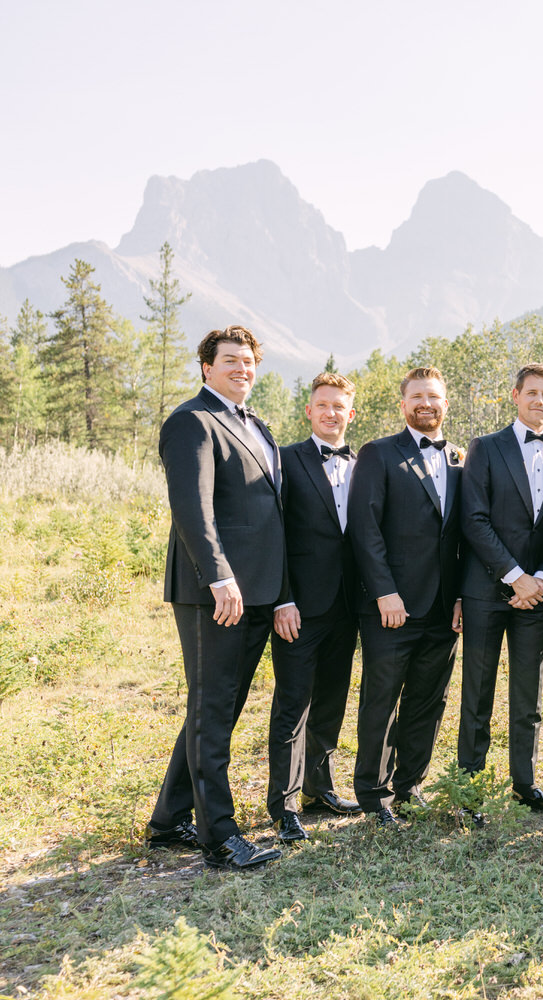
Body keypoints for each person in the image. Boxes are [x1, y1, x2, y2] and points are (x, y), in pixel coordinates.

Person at [147, 325, 285, 871]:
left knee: (217, 708)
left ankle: (168, 821)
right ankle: (219, 837)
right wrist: (219, 577)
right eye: (230, 360)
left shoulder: (258, 426)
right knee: (211, 708)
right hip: (215, 594)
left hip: (256, 593)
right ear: (206, 367)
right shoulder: (191, 422)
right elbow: (192, 508)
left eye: (249, 361)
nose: (242, 369)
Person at [347, 366, 464, 827]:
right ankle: (372, 795)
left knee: (427, 701)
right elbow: (364, 531)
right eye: (417, 397)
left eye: (433, 397)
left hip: (442, 608)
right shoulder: (378, 454)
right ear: (403, 404)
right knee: (381, 699)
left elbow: (461, 537)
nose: (426, 404)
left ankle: (410, 785)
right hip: (391, 608)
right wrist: (384, 594)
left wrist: (459, 598)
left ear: (445, 404)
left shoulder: (458, 457)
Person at [460, 363, 543, 815]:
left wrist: (540, 579)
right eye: (532, 393)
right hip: (487, 591)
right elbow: (474, 519)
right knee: (477, 694)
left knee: (529, 696)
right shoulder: (485, 448)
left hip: (537, 596)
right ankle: (469, 791)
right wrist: (515, 576)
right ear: (515, 395)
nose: (540, 401)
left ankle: (525, 785)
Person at [267, 372, 363, 843]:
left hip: (348, 608)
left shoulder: (364, 463)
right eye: (322, 405)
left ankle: (318, 789)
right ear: (309, 411)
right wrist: (282, 598)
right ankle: (283, 807)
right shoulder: (285, 462)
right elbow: (273, 537)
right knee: (293, 706)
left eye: (338, 406)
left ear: (351, 412)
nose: (330, 413)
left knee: (330, 702)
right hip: (299, 607)